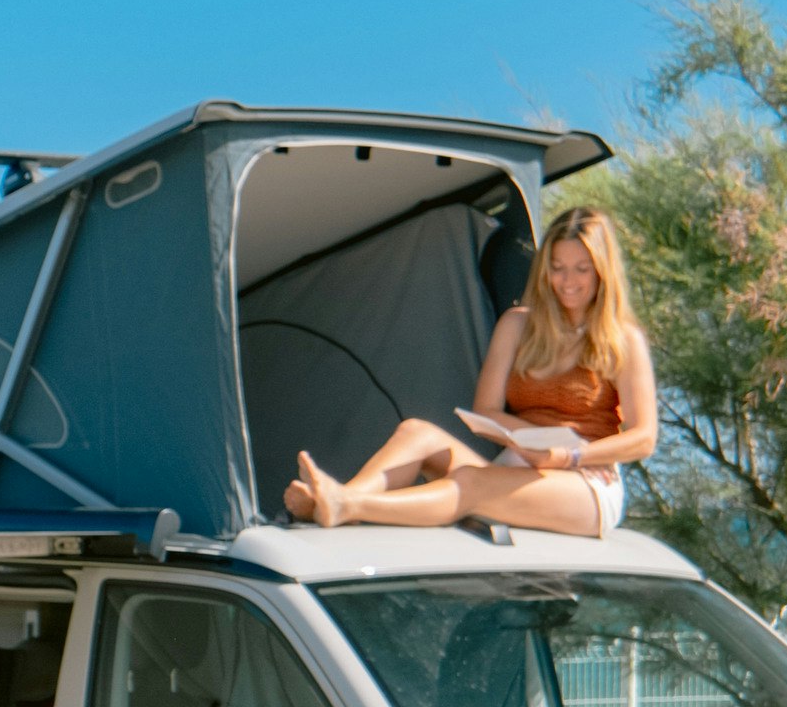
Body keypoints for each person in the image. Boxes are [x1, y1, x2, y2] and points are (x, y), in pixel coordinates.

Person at [280, 204, 655, 535]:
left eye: (581, 270)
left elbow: (644, 437)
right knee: (416, 433)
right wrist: (537, 442)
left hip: (585, 481)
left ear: (602, 272)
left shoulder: (622, 337)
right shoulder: (518, 324)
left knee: (471, 483)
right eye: (557, 268)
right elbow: (487, 409)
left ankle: (348, 505)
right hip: (522, 461)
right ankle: (341, 500)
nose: (567, 282)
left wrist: (567, 455)